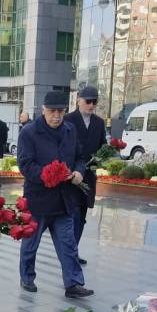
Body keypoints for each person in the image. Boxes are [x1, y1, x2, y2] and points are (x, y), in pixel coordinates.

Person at [17, 90, 92, 299]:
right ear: (43, 110)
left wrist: (79, 171)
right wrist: (48, 174)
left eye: (60, 111)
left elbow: (79, 156)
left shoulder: (70, 130)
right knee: (30, 244)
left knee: (68, 245)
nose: (57, 116)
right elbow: (25, 165)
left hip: (64, 199)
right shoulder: (29, 132)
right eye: (52, 111)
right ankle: (27, 277)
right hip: (38, 200)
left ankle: (74, 284)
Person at [64, 86, 106, 265]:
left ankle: (73, 251)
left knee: (81, 216)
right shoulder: (67, 120)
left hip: (89, 176)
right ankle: (69, 253)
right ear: (78, 100)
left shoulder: (98, 122)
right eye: (88, 101)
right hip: (70, 175)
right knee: (71, 215)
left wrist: (105, 156)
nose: (91, 105)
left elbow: (103, 146)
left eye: (94, 101)